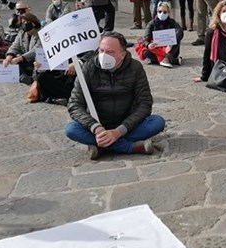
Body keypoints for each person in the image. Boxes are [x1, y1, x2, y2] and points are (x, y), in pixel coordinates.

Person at [65, 31, 166, 159]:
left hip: (127, 125)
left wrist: (119, 131)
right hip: (97, 124)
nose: (103, 55)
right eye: (101, 50)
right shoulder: (88, 68)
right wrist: (96, 128)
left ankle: (101, 146)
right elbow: (74, 104)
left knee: (157, 122)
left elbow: (145, 103)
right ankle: (131, 147)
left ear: (122, 55)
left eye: (110, 52)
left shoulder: (135, 68)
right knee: (71, 129)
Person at [139, 1, 183, 68]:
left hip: (170, 50)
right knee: (145, 52)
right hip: (156, 48)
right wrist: (148, 45)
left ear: (168, 13)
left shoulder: (172, 22)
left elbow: (180, 31)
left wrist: (171, 43)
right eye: (159, 11)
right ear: (157, 12)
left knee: (177, 39)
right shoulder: (152, 23)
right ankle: (173, 61)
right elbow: (146, 37)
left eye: (165, 12)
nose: (162, 13)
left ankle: (166, 58)